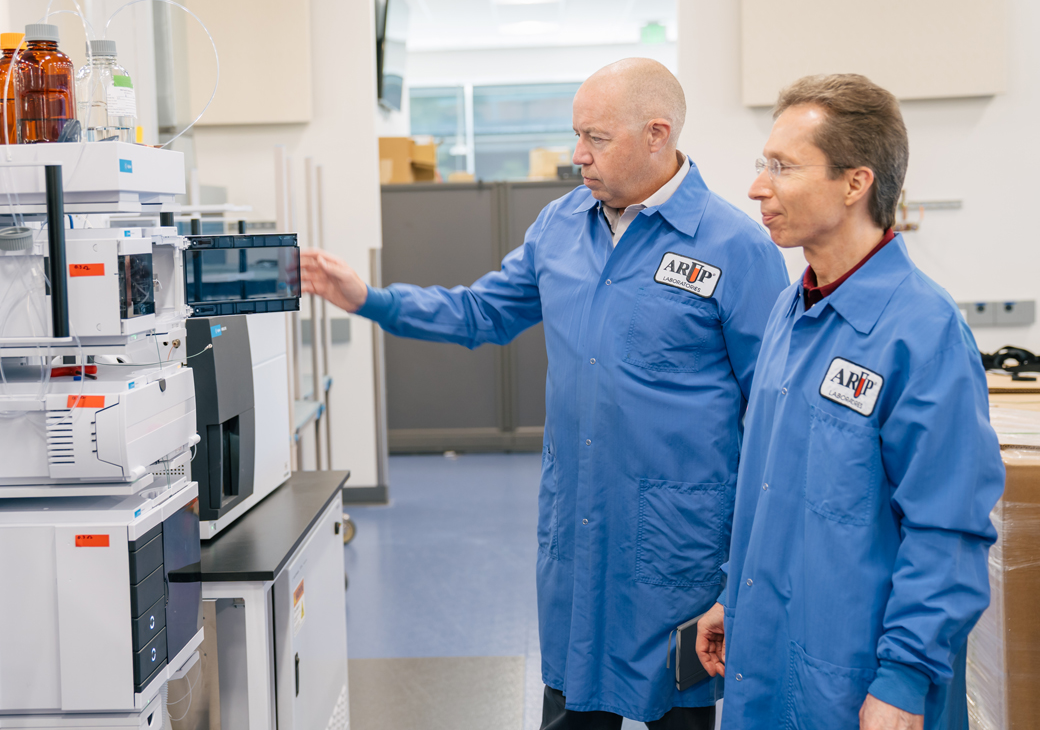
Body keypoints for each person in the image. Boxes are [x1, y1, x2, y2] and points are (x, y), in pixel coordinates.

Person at [302, 58, 789, 729]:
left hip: (681, 550)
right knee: (572, 704)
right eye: (576, 135)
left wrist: (742, 574)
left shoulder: (735, 246)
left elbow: (772, 417)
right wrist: (371, 301)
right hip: (580, 531)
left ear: (657, 134)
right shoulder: (561, 228)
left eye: (595, 137)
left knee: (680, 714)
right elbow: (481, 314)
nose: (577, 155)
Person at [695, 74, 1004, 730]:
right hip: (769, 662)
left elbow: (948, 529)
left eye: (781, 167)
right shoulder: (790, 310)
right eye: (762, 165)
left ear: (855, 182)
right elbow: (774, 489)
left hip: (861, 685)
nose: (757, 187)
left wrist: (903, 678)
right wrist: (735, 598)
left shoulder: (922, 331)